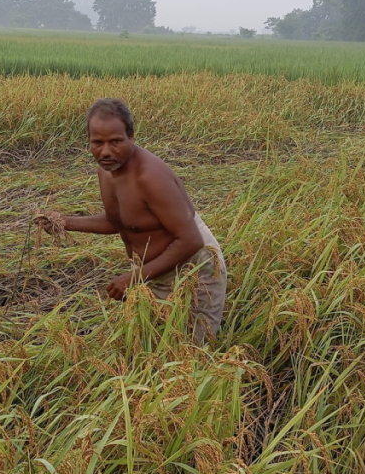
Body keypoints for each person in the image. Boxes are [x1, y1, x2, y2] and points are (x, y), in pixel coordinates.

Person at [37, 98, 227, 344]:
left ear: (132, 137)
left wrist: (135, 278)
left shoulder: (150, 177)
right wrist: (65, 222)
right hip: (152, 271)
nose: (105, 151)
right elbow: (118, 222)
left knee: (192, 348)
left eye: (115, 141)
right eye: (97, 142)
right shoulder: (107, 171)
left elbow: (191, 240)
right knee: (149, 340)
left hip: (192, 267)